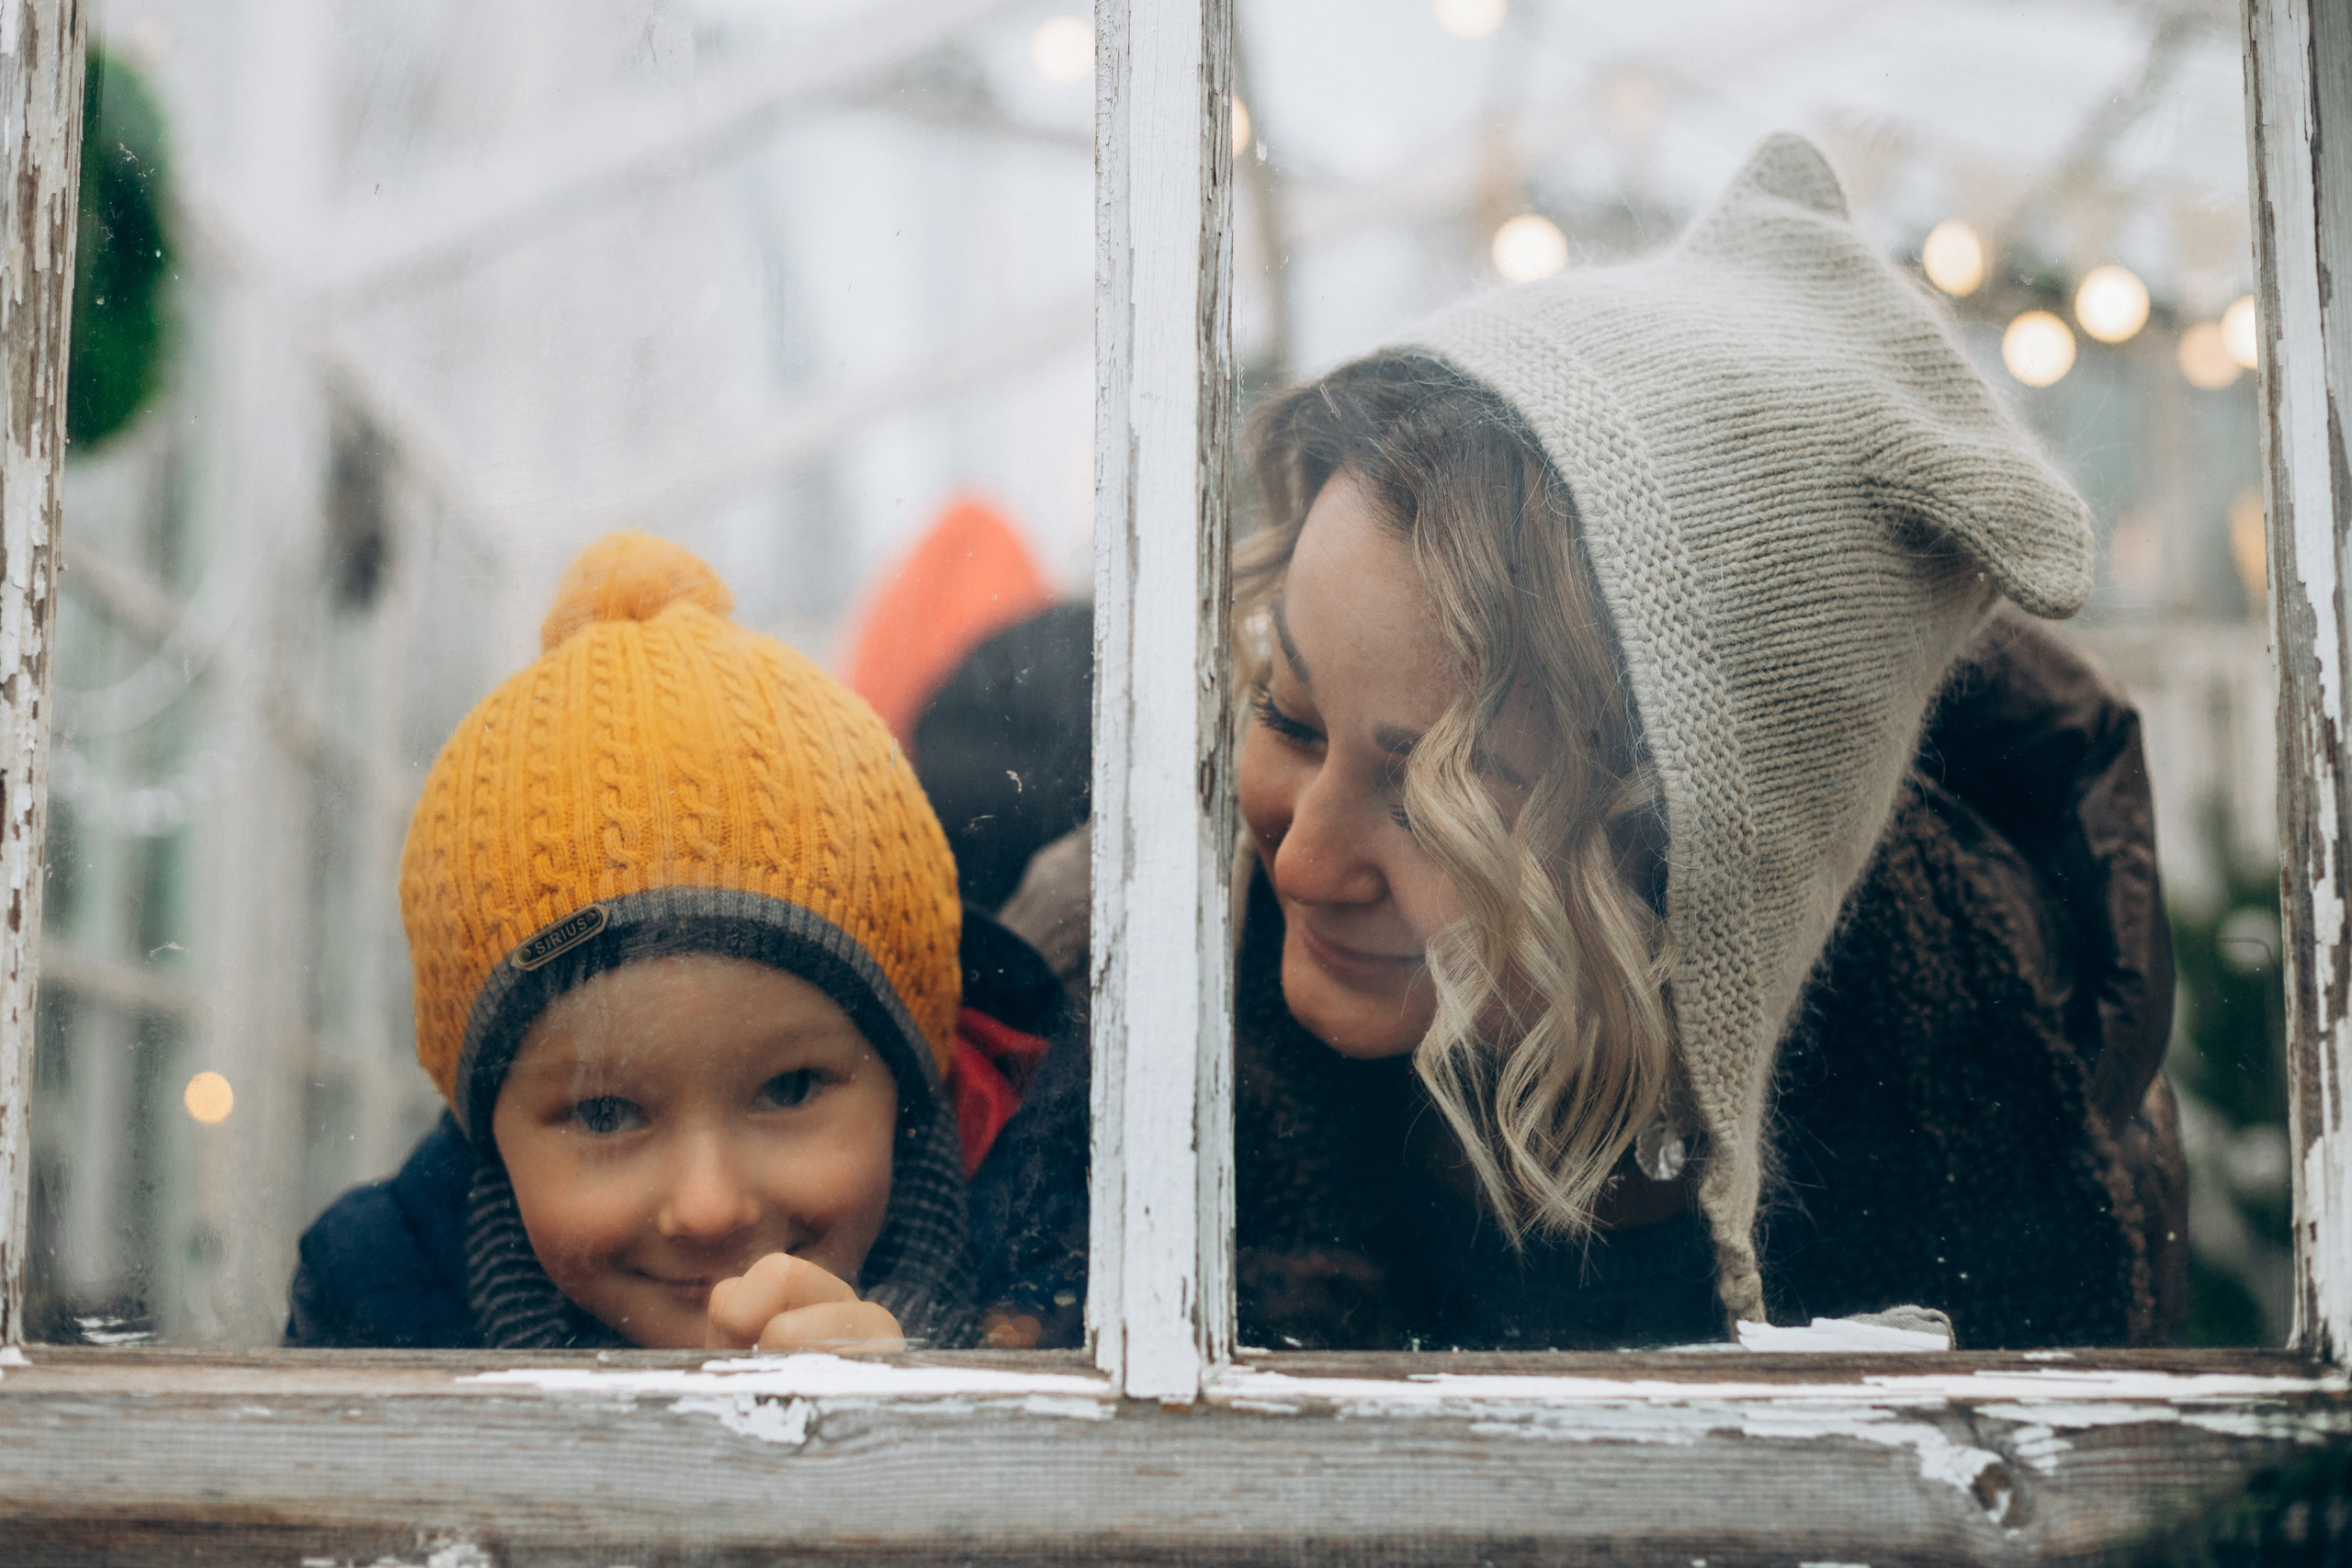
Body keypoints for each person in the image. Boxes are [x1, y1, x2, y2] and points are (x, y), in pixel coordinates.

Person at [978, 133, 2185, 1351]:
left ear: (1695, 867)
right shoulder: (1102, 983)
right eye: (1288, 714)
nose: (1299, 861)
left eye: (1432, 797)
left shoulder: (1998, 1151)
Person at [287, 532, 1064, 1351]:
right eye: (605, 1110)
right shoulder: (373, 1303)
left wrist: (898, 1447)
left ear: (911, 1080)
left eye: (791, 1088)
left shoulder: (1047, 1274)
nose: (708, 1205)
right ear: (487, 1125)